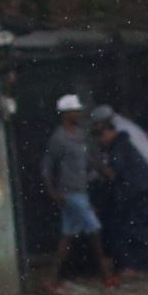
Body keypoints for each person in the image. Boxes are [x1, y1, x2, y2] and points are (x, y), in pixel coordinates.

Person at [94, 101, 148, 271]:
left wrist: (99, 167)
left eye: (100, 131)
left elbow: (116, 172)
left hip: (138, 188)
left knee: (135, 228)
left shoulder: (120, 139)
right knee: (141, 226)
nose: (99, 138)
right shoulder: (126, 130)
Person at [41, 95, 106, 282]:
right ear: (65, 114)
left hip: (80, 189)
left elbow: (87, 160)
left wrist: (101, 169)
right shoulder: (59, 138)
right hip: (70, 192)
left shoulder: (80, 134)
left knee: (67, 237)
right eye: (75, 111)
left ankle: (51, 279)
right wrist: (52, 191)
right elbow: (47, 167)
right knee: (94, 229)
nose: (78, 114)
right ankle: (106, 274)